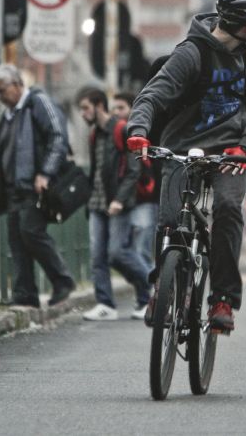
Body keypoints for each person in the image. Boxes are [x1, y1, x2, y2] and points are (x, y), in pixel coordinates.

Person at [126, 0, 246, 332]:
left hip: (230, 153)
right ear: (243, 23)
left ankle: (222, 300)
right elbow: (151, 97)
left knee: (226, 209)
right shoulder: (192, 53)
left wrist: (245, 146)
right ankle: (160, 287)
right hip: (181, 150)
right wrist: (138, 131)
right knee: (168, 222)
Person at [0, 64, 76, 308]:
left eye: (2, 90)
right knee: (16, 239)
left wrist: (45, 173)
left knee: (31, 231)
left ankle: (62, 280)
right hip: (13, 188)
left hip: (35, 186)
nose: (0, 97)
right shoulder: (7, 116)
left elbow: (58, 136)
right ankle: (25, 293)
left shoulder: (38, 103)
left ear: (17, 84)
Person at [76, 87, 152, 321]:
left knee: (118, 252)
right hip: (97, 202)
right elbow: (97, 170)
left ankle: (155, 288)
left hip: (118, 202)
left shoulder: (121, 129)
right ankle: (105, 304)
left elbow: (134, 169)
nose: (82, 114)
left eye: (86, 108)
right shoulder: (93, 134)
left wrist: (120, 199)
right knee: (98, 256)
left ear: (99, 106)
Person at [110, 92, 160, 284]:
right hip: (127, 200)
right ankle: (148, 295)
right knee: (119, 252)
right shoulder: (116, 132)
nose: (116, 112)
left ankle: (152, 296)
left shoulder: (146, 129)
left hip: (145, 198)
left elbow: (138, 169)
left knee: (142, 251)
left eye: (121, 108)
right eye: (114, 108)